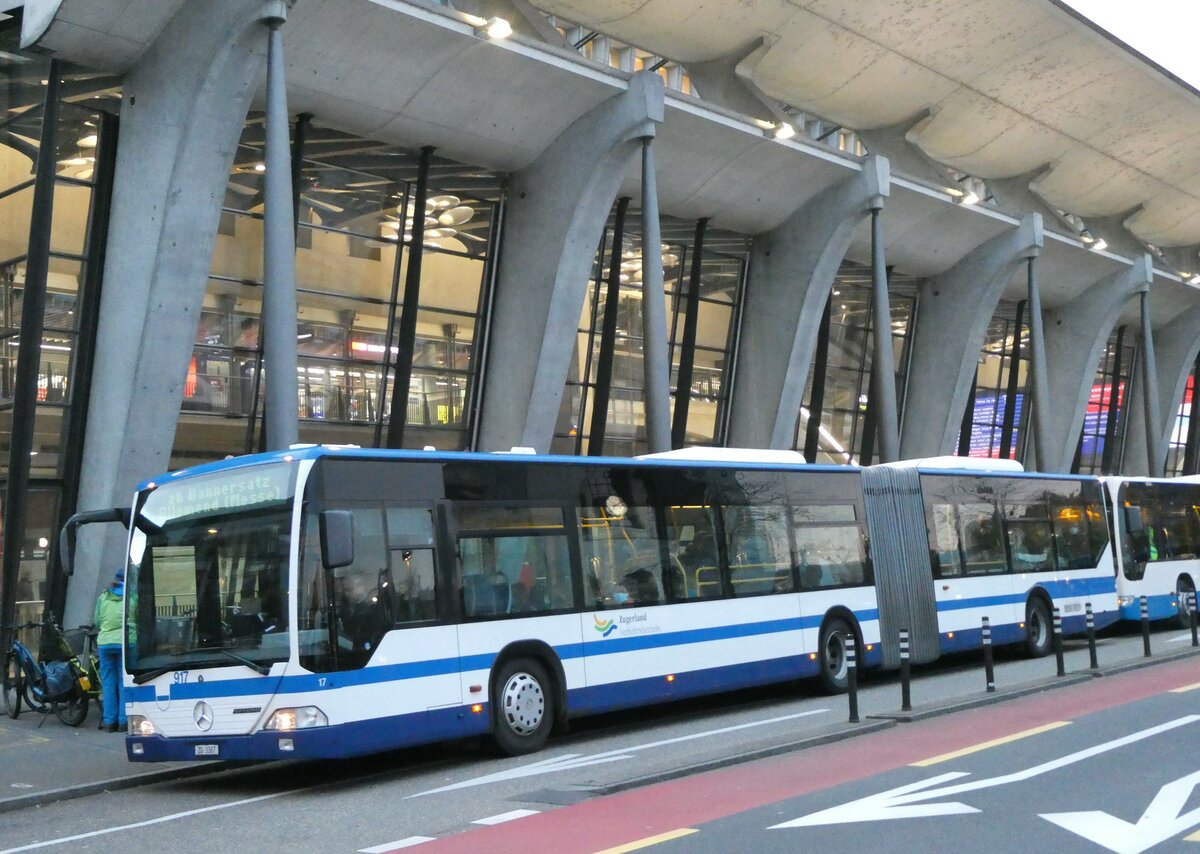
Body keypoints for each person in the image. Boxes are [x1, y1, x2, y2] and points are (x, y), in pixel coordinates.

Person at [94, 570, 128, 733]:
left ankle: (109, 721)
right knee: (123, 681)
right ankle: (123, 721)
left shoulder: (103, 596)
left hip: (105, 643)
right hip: (123, 642)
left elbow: (97, 620)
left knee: (108, 682)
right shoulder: (130, 596)